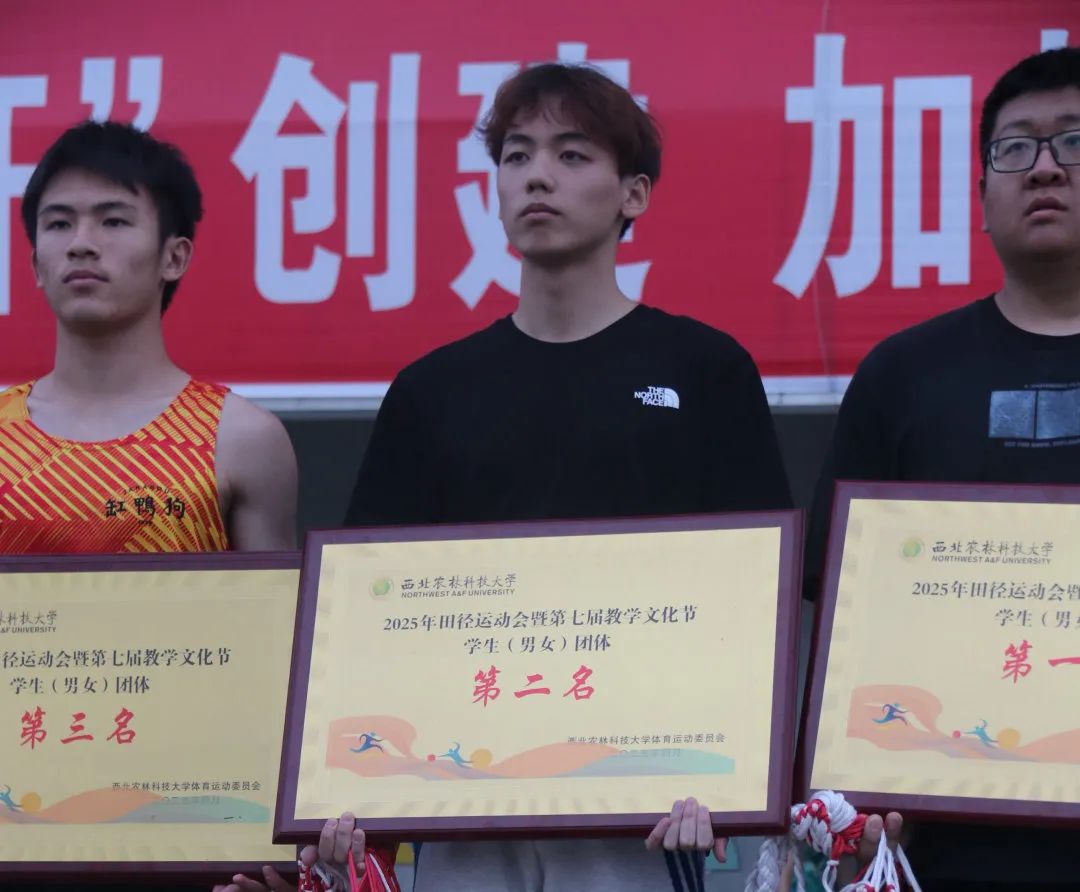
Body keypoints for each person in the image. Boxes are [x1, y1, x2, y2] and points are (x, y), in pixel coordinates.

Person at [219, 61, 791, 892]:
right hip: (463, 798)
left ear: (633, 194)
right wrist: (346, 787)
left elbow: (758, 596)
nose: (537, 176)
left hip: (649, 805)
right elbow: (369, 612)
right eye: (517, 155)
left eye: (571, 154)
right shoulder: (432, 390)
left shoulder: (705, 370)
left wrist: (734, 766)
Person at [807, 46, 1080, 890]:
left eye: (1074, 142)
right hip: (948, 828)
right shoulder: (904, 373)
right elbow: (838, 598)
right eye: (1016, 147)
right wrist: (851, 783)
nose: (1045, 168)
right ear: (982, 194)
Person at [0, 120, 297, 554]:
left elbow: (277, 598)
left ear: (174, 257)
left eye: (113, 221)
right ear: (36, 265)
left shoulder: (239, 439)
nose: (81, 244)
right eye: (59, 224)